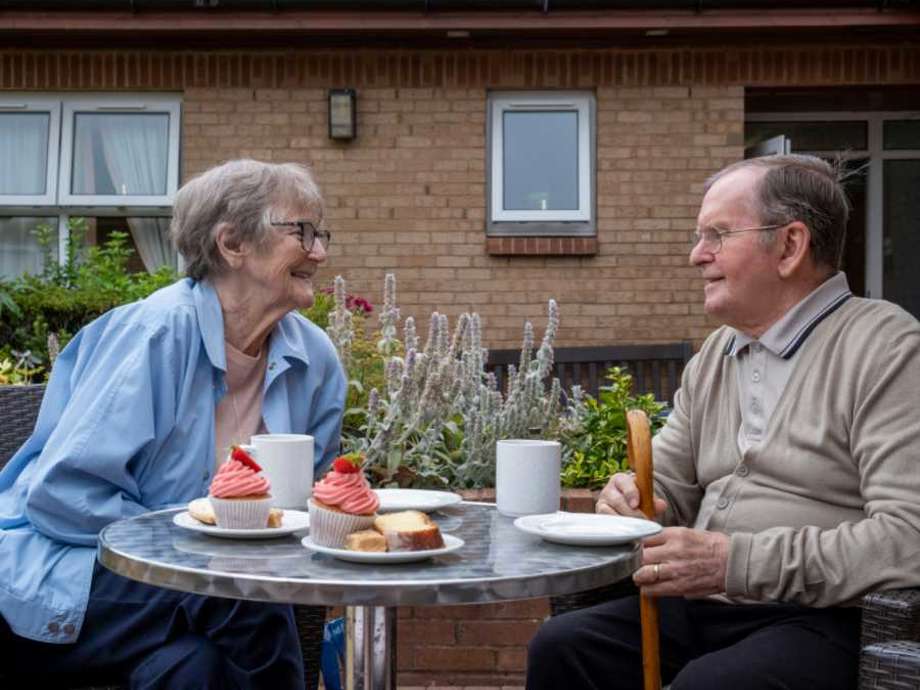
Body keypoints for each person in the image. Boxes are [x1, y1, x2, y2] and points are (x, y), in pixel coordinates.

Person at [527, 154, 920, 690]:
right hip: (701, 608)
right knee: (563, 647)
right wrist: (632, 498)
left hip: (823, 617)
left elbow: (907, 539)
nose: (696, 255)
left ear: (790, 246)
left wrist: (736, 562)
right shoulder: (717, 353)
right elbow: (667, 482)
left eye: (717, 234)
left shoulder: (885, 347)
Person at [0, 159, 346, 688]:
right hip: (68, 580)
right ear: (232, 244)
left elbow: (312, 509)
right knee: (243, 596)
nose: (319, 251)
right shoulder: (157, 334)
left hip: (178, 610)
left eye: (320, 234)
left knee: (194, 669)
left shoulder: (314, 360)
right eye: (301, 232)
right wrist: (203, 538)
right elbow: (62, 495)